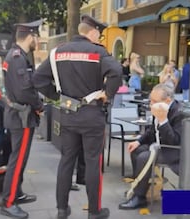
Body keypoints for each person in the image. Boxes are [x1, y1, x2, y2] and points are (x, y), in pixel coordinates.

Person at [32, 14, 122, 219]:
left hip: (68, 114)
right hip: (92, 115)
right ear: (92, 32)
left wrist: (57, 96)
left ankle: (62, 209)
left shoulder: (57, 53)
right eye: (99, 34)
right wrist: (108, 94)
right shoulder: (98, 52)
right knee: (92, 162)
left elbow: (38, 78)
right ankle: (94, 211)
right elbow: (116, 71)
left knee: (66, 161)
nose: (99, 38)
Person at [1, 19, 45, 219]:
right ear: (30, 36)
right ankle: (8, 202)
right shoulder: (18, 58)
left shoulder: (14, 55)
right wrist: (39, 106)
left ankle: (16, 193)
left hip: (18, 116)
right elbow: (25, 90)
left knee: (20, 158)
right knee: (17, 160)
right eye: (37, 36)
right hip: (22, 117)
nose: (39, 40)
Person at [119, 84, 183, 210]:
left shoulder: (179, 113)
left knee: (144, 157)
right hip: (159, 145)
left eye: (154, 101)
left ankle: (139, 196)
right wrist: (138, 141)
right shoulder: (158, 108)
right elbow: (151, 131)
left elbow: (174, 141)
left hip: (173, 151)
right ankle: (141, 185)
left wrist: (163, 120)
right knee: (136, 150)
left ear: (167, 101)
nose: (151, 104)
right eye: (150, 100)